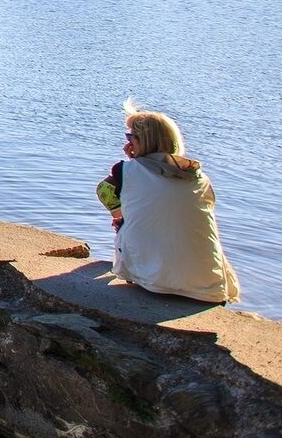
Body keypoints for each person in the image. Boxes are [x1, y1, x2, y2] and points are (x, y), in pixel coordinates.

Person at [97, 108, 240, 303]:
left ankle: (137, 267)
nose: (127, 142)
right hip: (209, 285)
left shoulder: (124, 170)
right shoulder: (199, 177)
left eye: (130, 136)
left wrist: (120, 215)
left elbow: (103, 191)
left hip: (153, 281)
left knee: (127, 223)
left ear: (143, 140)